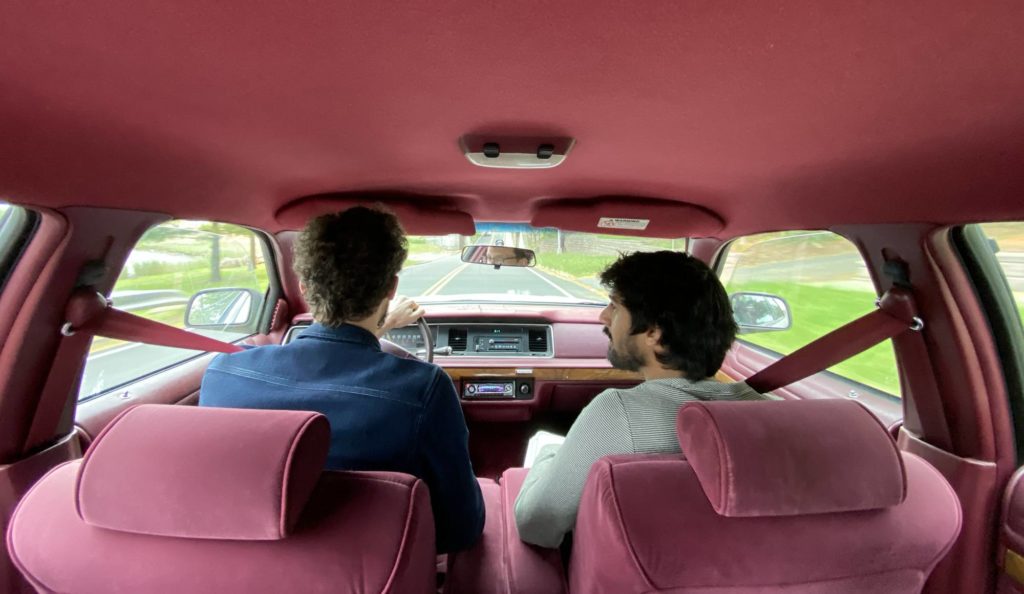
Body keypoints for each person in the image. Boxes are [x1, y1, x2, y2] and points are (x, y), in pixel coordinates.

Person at [199, 206, 485, 553]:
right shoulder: (423, 390)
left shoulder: (224, 372)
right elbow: (461, 529)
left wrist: (381, 326)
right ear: (391, 287)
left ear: (304, 287)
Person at [513, 251, 768, 549]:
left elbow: (536, 523)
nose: (603, 317)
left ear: (655, 334)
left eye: (615, 306)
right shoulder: (771, 414)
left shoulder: (618, 415)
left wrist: (548, 456)